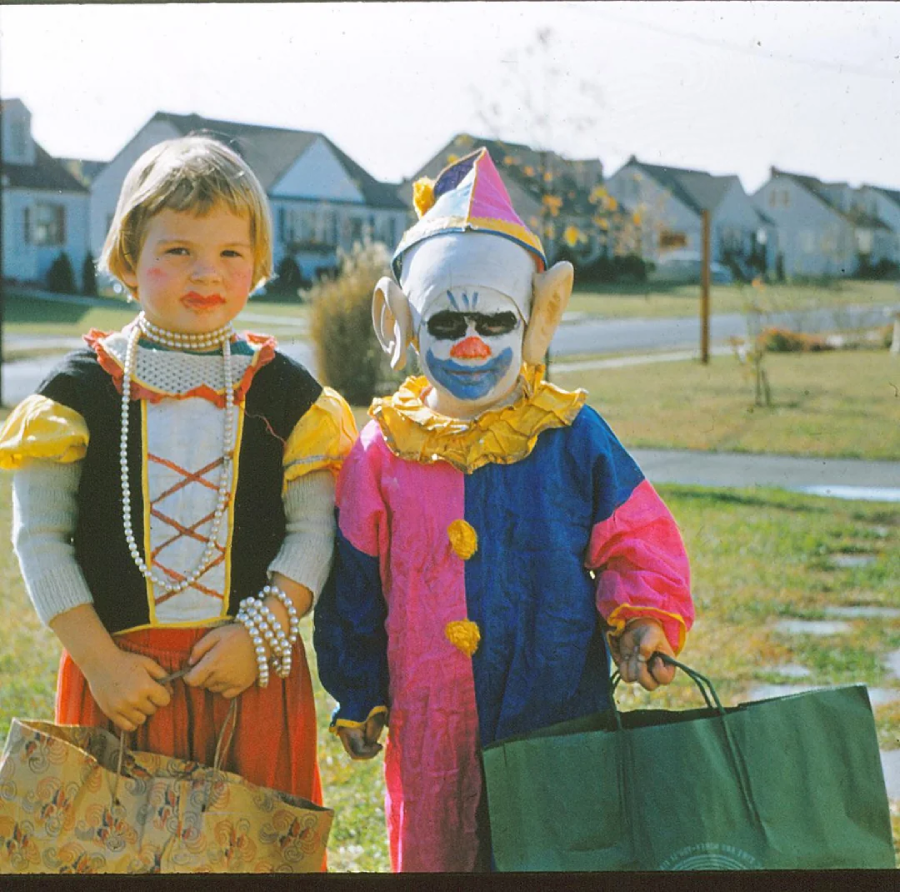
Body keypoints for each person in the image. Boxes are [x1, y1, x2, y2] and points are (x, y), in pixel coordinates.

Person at [313, 148, 694, 872]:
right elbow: (354, 586)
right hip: (432, 714)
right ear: (400, 322)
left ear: (537, 320)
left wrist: (644, 615)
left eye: (495, 319)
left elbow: (635, 538)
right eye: (447, 321)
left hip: (555, 696)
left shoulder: (570, 434)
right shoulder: (382, 450)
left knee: (559, 849)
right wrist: (358, 689)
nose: (472, 341)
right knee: (441, 844)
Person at [0, 136, 356, 821]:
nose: (207, 273)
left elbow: (316, 530)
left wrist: (263, 634)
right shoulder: (75, 395)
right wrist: (100, 663)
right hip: (121, 684)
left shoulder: (289, 398)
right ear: (130, 258)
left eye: (229, 252)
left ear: (257, 264)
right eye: (178, 251)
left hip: (248, 681)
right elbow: (40, 539)